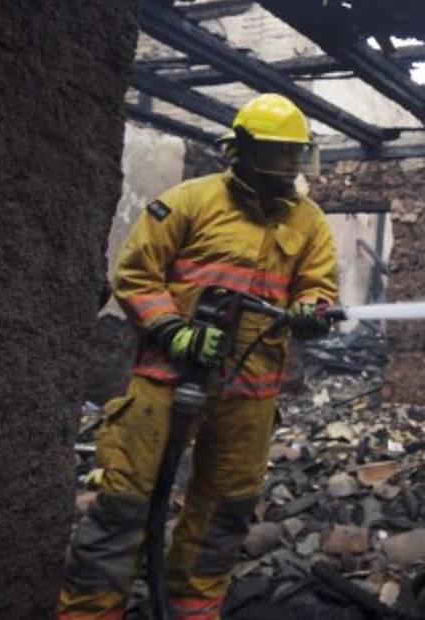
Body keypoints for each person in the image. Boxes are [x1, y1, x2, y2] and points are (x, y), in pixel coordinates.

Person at [59, 93, 339, 619]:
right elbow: (135, 274)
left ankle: (192, 611)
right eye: (280, 150)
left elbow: (316, 286)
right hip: (164, 382)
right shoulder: (189, 202)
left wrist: (312, 310)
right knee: (124, 505)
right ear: (244, 149)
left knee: (224, 513)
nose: (291, 163)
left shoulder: (309, 222)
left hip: (250, 394)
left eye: (297, 152)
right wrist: (175, 332)